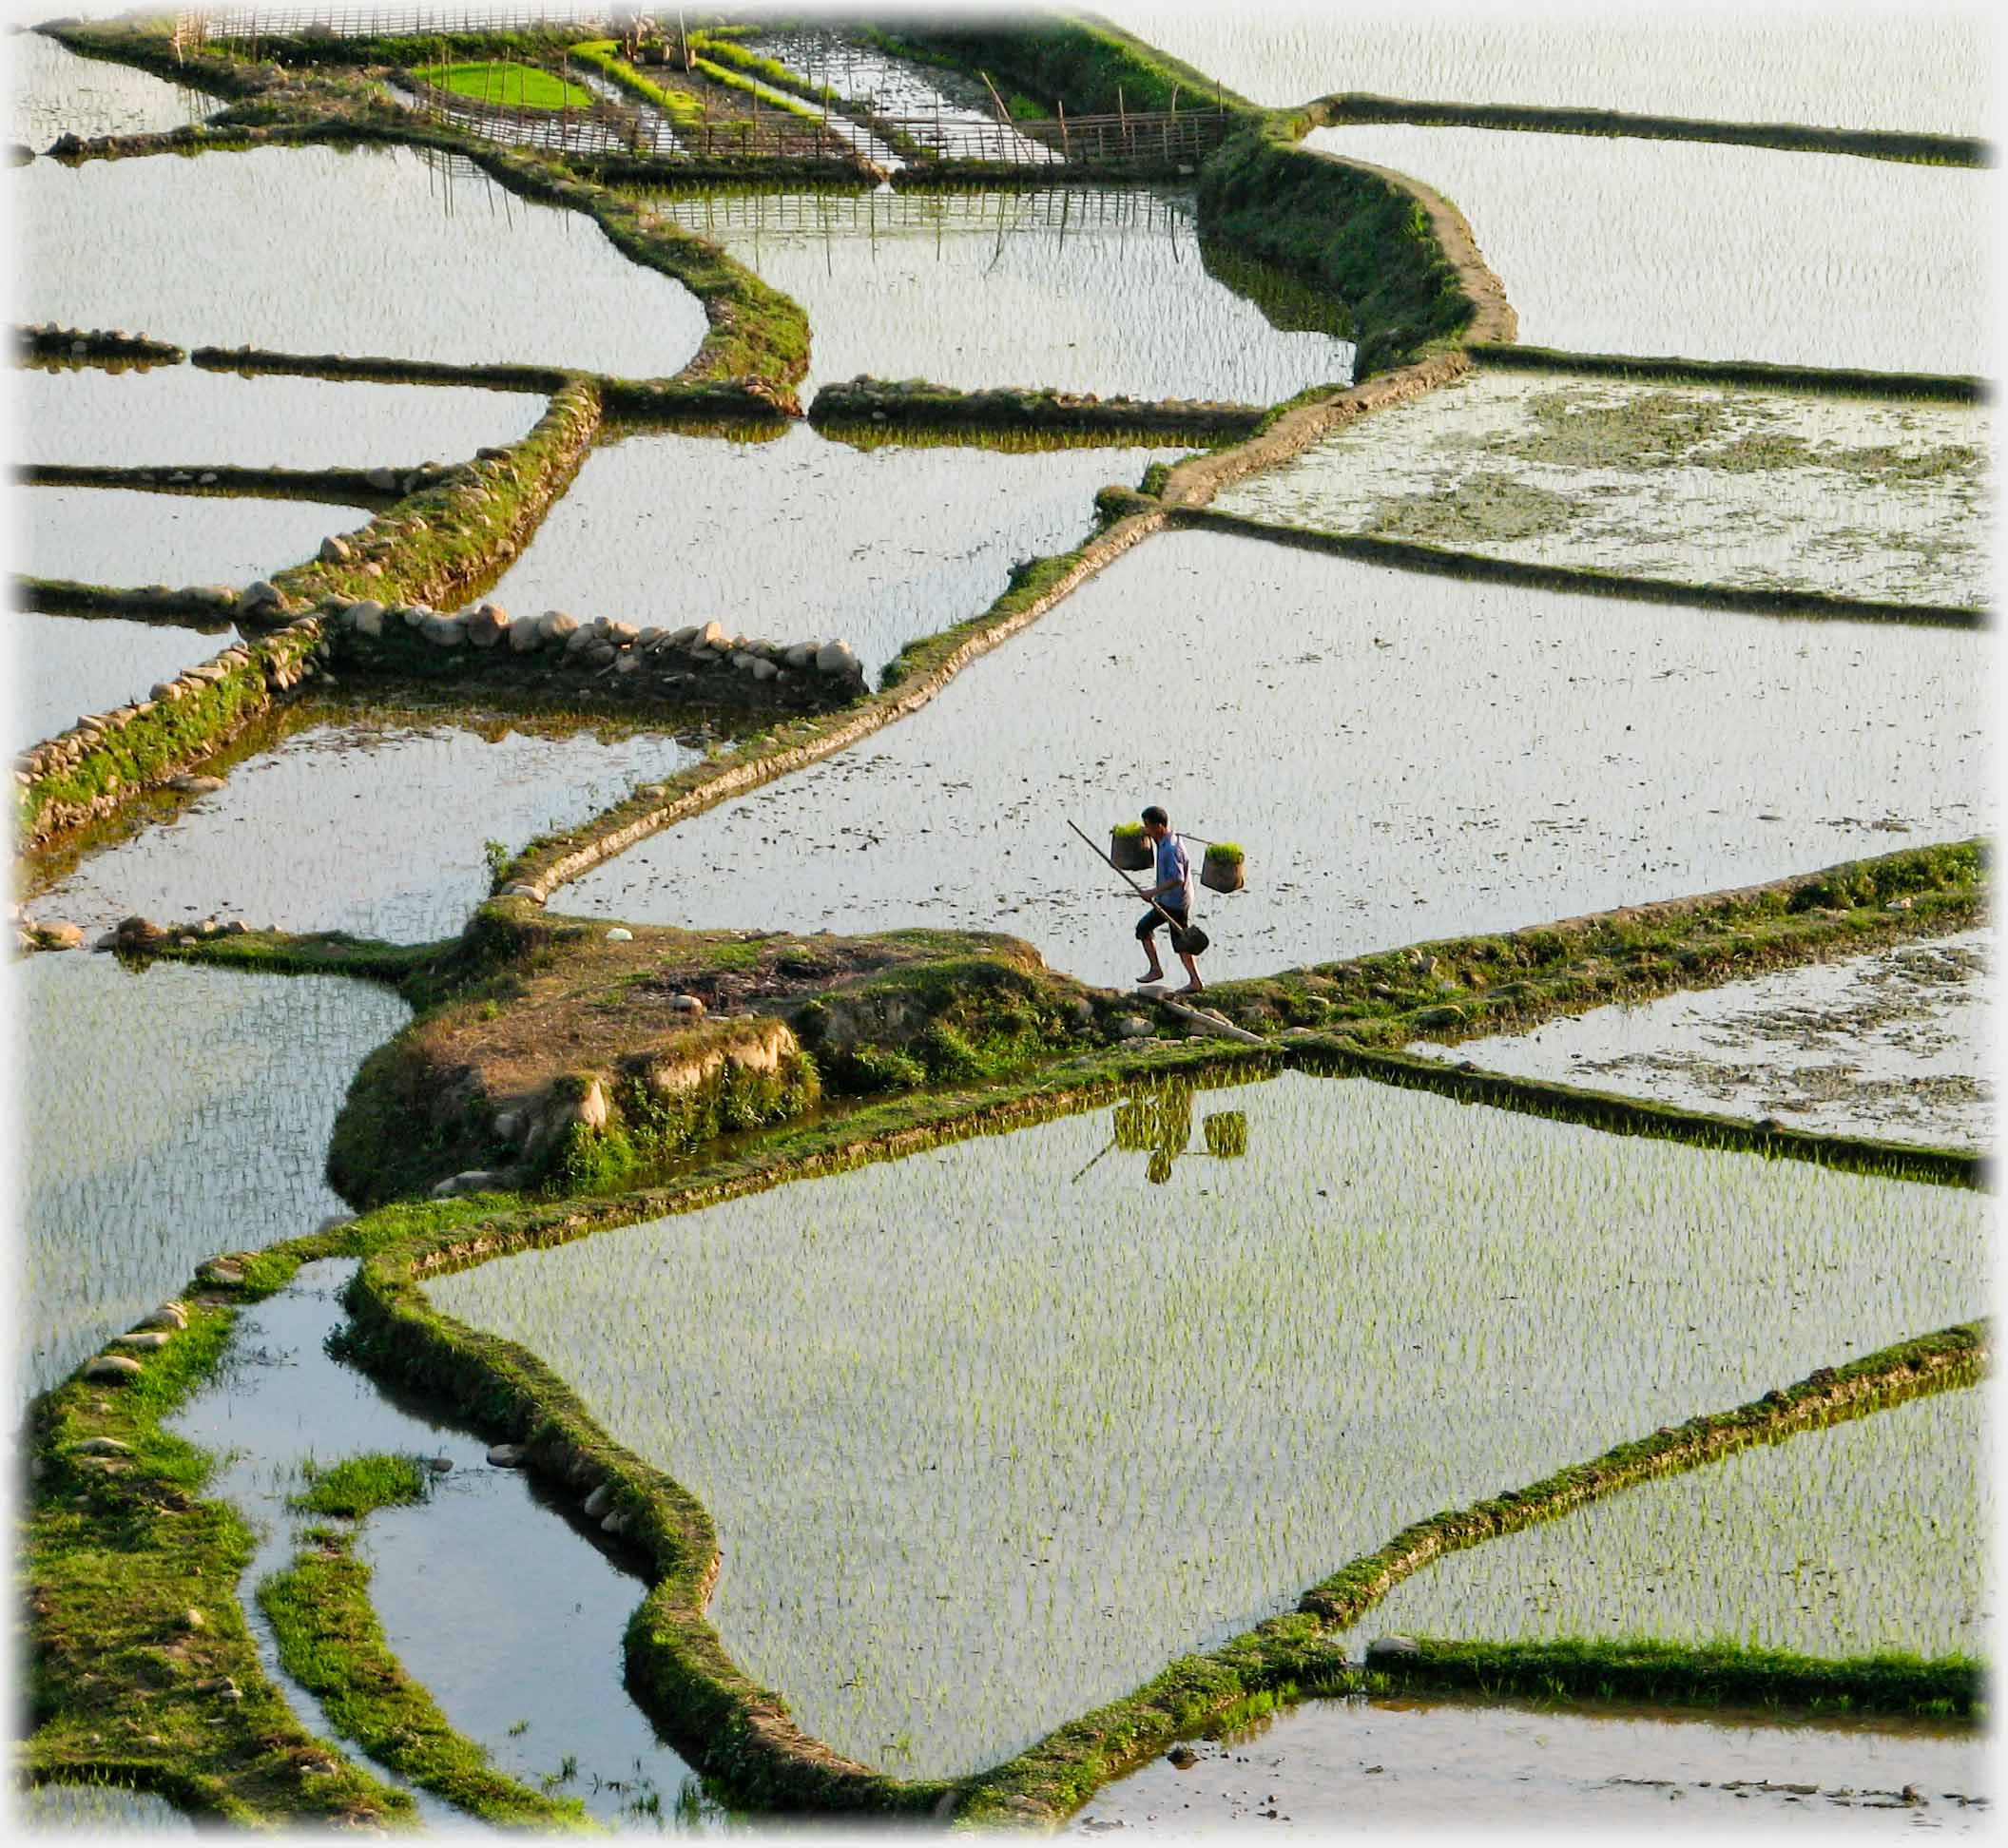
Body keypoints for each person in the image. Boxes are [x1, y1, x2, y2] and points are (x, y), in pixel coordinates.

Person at [1135, 805, 1203, 993]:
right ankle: (1157, 969)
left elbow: (1177, 878)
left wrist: (1152, 892)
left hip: (1175, 903)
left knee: (1182, 943)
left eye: (1147, 826)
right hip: (1172, 899)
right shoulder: (1166, 839)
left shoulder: (1170, 849)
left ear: (1159, 826)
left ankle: (1194, 981)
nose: (1145, 829)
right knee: (1144, 928)